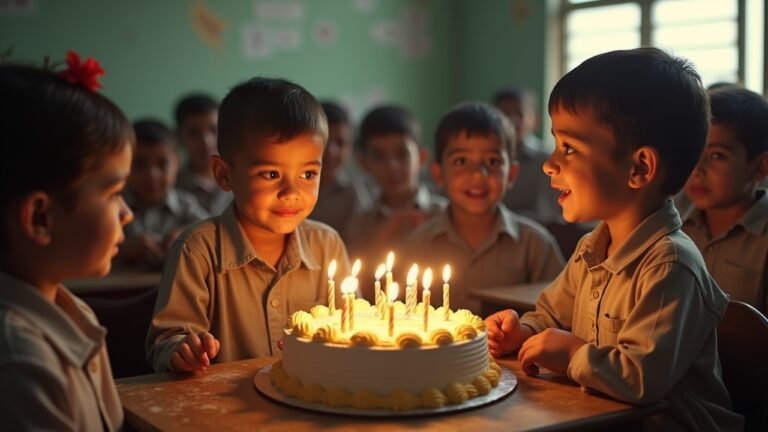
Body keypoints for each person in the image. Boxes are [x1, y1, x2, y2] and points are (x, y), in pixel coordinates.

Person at [485, 48, 742, 431]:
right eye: (555, 144)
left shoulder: (671, 265)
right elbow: (551, 315)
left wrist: (572, 353)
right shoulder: (593, 247)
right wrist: (523, 332)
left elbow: (641, 379)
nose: (549, 163)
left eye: (569, 148)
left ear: (639, 168)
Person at [146, 77, 351, 373]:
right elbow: (166, 340)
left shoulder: (327, 246)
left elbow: (347, 329)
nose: (291, 192)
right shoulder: (197, 251)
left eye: (307, 174)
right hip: (224, 413)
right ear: (224, 174)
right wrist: (182, 349)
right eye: (270, 174)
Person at [0, 53, 132, 430]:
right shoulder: (20, 364)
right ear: (40, 218)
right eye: (114, 193)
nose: (127, 213)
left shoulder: (73, 312)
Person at [403, 102, 564, 313]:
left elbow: (559, 314)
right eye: (461, 161)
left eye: (492, 162)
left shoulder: (535, 245)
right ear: (438, 174)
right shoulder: (418, 245)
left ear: (512, 174)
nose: (478, 174)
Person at [681, 86, 768, 314]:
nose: (697, 169)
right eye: (694, 152)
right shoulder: (674, 229)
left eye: (717, 156)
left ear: (760, 167)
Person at [345, 105, 446, 293]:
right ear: (364, 163)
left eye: (402, 154)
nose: (392, 166)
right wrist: (385, 233)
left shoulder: (443, 214)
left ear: (422, 158)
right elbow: (357, 285)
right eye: (379, 156)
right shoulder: (361, 221)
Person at [118, 119, 209, 270]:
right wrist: (124, 249)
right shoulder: (116, 206)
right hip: (123, 289)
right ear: (124, 164)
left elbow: (214, 231)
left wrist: (186, 235)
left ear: (177, 164)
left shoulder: (186, 204)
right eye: (140, 164)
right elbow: (91, 249)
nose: (152, 175)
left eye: (162, 164)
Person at [493, 87, 562, 226]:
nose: (512, 121)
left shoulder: (548, 160)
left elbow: (557, 216)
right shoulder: (485, 159)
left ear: (535, 120)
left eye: (519, 114)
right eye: (504, 114)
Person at [308, 100, 372, 237]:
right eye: (323, 141)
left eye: (340, 143)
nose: (331, 151)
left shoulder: (354, 192)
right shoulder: (295, 187)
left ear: (351, 148)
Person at [174, 93, 233, 215]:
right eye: (194, 133)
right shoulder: (171, 186)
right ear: (179, 136)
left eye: (213, 130)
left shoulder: (241, 179)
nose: (206, 141)